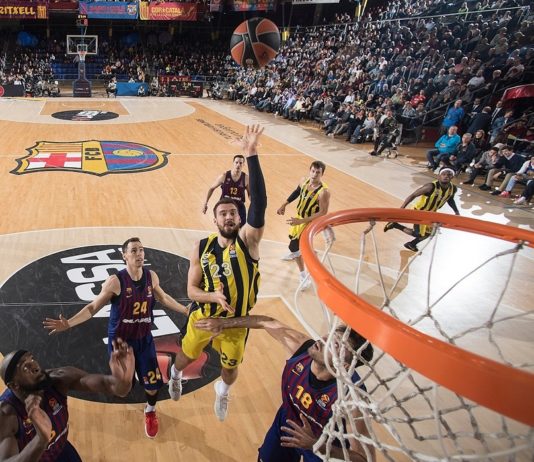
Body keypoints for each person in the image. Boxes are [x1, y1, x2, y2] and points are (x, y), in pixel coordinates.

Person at [167, 125, 267, 422]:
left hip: (236, 322)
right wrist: (212, 296)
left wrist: (251, 154)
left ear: (239, 217)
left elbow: (259, 203)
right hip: (203, 316)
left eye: (233, 213)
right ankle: (175, 375)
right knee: (185, 356)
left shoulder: (248, 242)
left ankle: (222, 391)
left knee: (230, 369)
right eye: (222, 213)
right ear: (215, 220)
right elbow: (191, 291)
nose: (228, 216)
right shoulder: (201, 247)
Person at [43, 237, 188, 438]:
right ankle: (127, 384)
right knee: (123, 388)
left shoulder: (151, 277)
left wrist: (185, 310)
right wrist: (69, 323)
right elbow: (93, 308)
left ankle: (150, 411)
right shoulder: (116, 282)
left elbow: (163, 297)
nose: (139, 254)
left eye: (141, 250)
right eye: (134, 250)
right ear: (124, 256)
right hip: (121, 344)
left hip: (144, 339)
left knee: (152, 383)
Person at [194, 315, 375, 462]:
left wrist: (315, 444)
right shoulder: (301, 349)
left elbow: (364, 458)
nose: (323, 339)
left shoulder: (353, 398)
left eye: (335, 344)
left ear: (343, 365)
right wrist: (223, 323)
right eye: (330, 335)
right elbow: (266, 322)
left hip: (324, 447)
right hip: (287, 424)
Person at [0, 338, 134, 461]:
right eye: (25, 367)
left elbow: (110, 386)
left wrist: (123, 382)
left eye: (32, 359)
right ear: (14, 385)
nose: (35, 366)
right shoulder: (6, 415)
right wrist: (40, 440)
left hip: (60, 450)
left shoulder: (58, 379)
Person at [277, 161, 331, 290]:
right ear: (309, 171)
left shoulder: (324, 192)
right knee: (293, 240)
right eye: (313, 171)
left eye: (318, 172)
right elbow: (296, 192)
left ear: (322, 174)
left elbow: (323, 212)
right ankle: (297, 253)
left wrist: (301, 221)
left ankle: (304, 276)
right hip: (300, 218)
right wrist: (284, 204)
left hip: (310, 222)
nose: (314, 174)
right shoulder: (304, 181)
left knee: (294, 245)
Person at [384, 168, 460, 251]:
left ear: (452, 177)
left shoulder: (453, 188)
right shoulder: (430, 186)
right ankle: (395, 225)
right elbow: (413, 195)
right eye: (443, 174)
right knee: (418, 234)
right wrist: (402, 207)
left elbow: (450, 199)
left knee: (429, 233)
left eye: (449, 175)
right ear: (439, 176)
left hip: (431, 213)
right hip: (419, 211)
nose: (446, 176)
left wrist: (456, 212)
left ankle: (411, 244)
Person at [202, 155, 250, 225]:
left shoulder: (246, 178)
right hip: (224, 205)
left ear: (243, 164)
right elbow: (211, 188)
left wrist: (255, 205)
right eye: (236, 162)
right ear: (233, 163)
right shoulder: (224, 176)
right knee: (223, 227)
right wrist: (205, 203)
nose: (238, 165)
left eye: (240, 163)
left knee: (242, 228)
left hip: (239, 206)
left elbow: (250, 194)